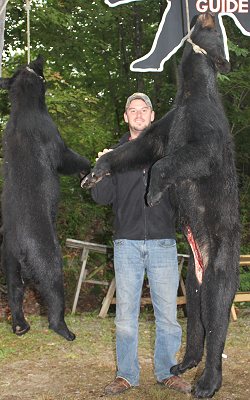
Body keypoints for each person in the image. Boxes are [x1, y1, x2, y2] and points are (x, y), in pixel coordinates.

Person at [91, 93, 191, 395]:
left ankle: (167, 372)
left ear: (152, 115)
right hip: (127, 245)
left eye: (143, 109)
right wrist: (101, 166)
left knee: (168, 318)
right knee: (125, 317)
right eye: (132, 110)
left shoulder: (167, 153)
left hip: (163, 243)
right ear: (125, 117)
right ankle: (126, 375)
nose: (138, 114)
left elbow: (181, 198)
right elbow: (101, 197)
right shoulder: (116, 155)